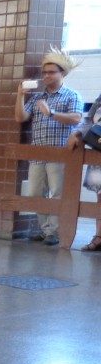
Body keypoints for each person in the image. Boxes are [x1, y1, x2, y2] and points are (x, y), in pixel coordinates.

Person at [15, 48, 83, 246]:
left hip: (59, 153)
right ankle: (45, 230)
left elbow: (76, 118)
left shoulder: (72, 95)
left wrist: (51, 113)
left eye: (51, 72)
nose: (46, 76)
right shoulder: (37, 98)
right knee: (35, 192)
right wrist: (20, 95)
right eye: (44, 73)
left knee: (57, 192)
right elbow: (20, 117)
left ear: (62, 73)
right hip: (38, 152)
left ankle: (53, 232)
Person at [68, 91, 101, 252]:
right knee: (100, 197)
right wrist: (78, 132)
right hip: (98, 154)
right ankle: (99, 236)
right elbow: (88, 119)